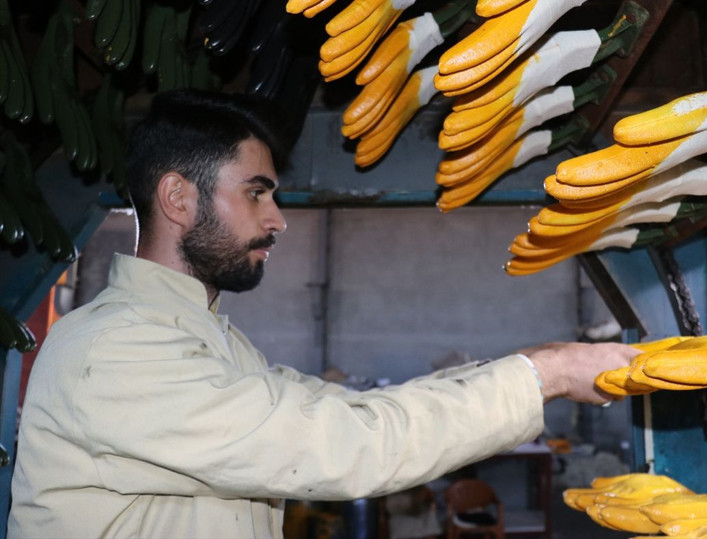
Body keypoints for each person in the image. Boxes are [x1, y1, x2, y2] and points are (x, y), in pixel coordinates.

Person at [8, 89, 637, 538]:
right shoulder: (114, 352)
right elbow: (347, 445)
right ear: (177, 196)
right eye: (256, 193)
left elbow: (341, 412)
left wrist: (521, 367)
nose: (277, 219)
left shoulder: (205, 343)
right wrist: (544, 373)